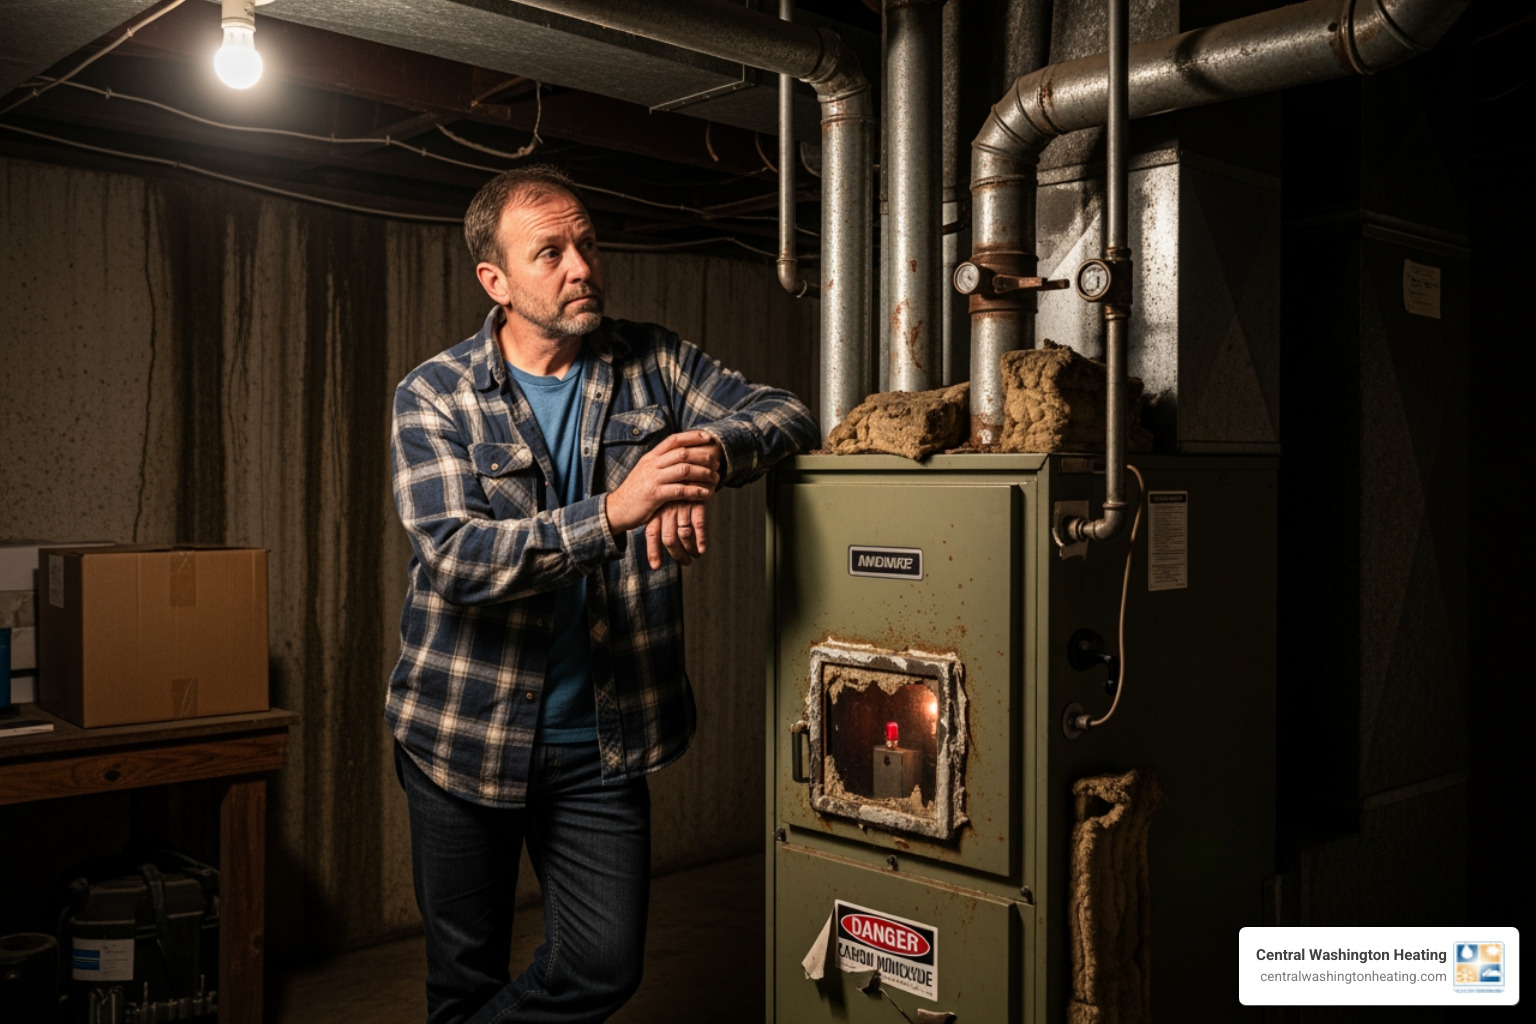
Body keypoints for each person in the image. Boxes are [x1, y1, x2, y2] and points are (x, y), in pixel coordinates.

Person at [386, 165, 818, 1024]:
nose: (581, 265)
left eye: (586, 243)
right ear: (496, 281)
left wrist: (702, 460)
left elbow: (789, 415)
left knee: (602, 967)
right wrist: (618, 511)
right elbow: (459, 559)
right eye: (550, 252)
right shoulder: (436, 394)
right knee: (463, 981)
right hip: (461, 734)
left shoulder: (654, 364)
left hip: (602, 743)